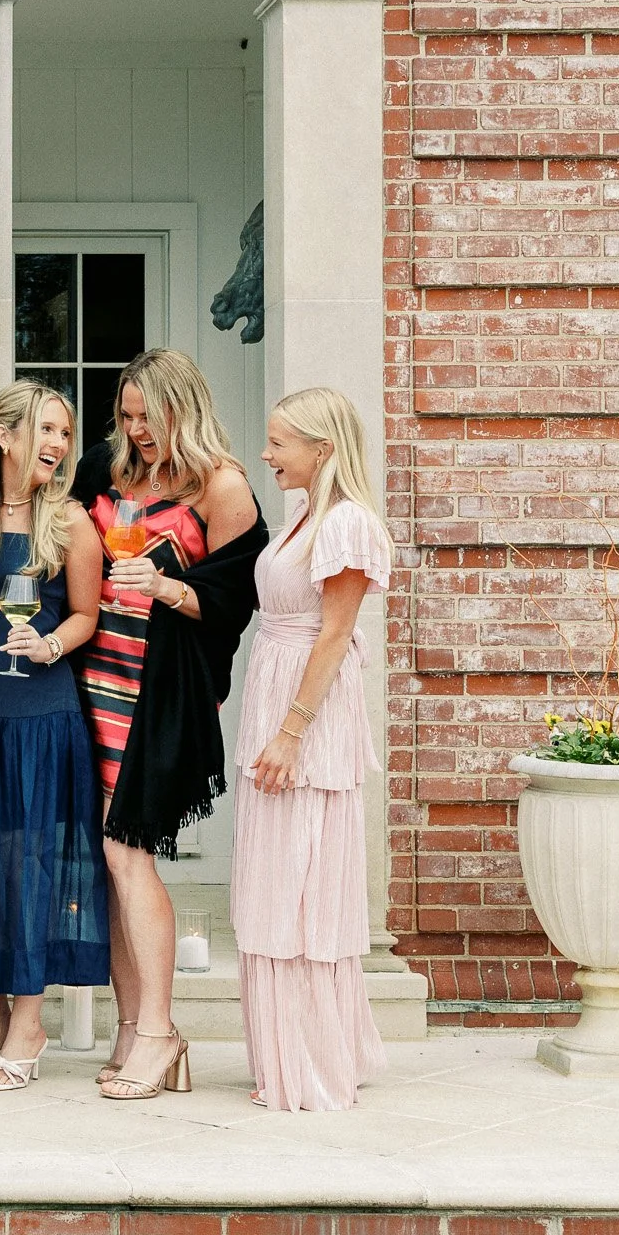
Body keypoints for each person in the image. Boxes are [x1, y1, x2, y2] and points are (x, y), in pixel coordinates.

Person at [74, 348, 265, 1101]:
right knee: (105, 857)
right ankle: (132, 1029)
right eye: (126, 415)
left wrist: (164, 586)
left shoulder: (220, 484)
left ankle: (159, 1029)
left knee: (129, 855)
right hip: (88, 678)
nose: (136, 429)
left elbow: (238, 601)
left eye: (148, 415)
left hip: (157, 691)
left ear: (184, 405)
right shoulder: (105, 470)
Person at [235, 387, 391, 1111]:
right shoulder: (302, 516)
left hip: (307, 715)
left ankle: (314, 1062)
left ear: (322, 448)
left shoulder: (347, 524)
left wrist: (292, 731)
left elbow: (333, 634)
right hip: (276, 699)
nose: (266, 454)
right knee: (271, 881)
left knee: (303, 884)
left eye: (279, 442)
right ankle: (281, 1056)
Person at [0, 381, 109, 1092]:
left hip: (41, 717)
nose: (58, 443)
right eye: (46, 428)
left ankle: (28, 1021)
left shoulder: (72, 520)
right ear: (5, 434)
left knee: (29, 871)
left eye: (66, 432)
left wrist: (49, 645)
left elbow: (85, 613)